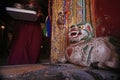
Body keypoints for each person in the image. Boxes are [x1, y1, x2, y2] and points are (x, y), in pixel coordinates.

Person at [7, 0, 43, 65]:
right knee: (20, 45)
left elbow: (41, 15)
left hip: (34, 26)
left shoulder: (38, 4)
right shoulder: (23, 2)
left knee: (33, 47)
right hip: (23, 25)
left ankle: (30, 66)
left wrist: (39, 14)